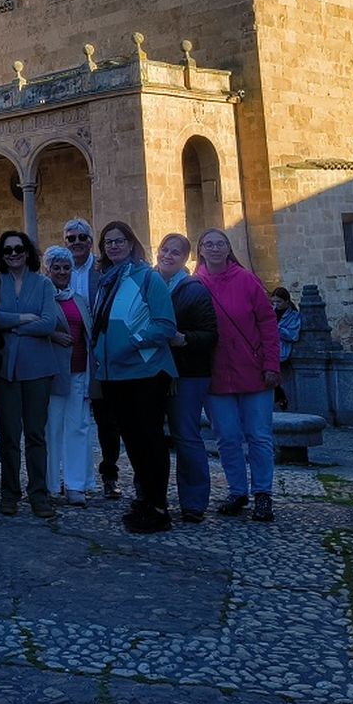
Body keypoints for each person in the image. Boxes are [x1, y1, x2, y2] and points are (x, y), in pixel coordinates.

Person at [90, 221, 177, 534]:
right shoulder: (106, 281)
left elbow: (165, 325)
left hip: (145, 372)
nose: (113, 246)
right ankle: (146, 500)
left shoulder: (148, 278)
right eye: (108, 242)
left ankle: (158, 507)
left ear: (131, 243)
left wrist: (134, 342)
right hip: (116, 375)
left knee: (151, 440)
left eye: (119, 240)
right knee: (134, 442)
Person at [196, 229, 282, 523]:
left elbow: (268, 323)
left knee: (259, 435)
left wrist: (272, 364)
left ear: (229, 248)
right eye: (209, 244)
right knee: (227, 437)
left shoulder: (247, 280)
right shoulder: (195, 284)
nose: (215, 248)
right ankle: (237, 490)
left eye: (220, 243)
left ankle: (263, 494)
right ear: (201, 250)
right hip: (217, 374)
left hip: (254, 371)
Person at [0, 229, 62, 518]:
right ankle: (9, 493)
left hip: (38, 369)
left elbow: (48, 324)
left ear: (28, 252)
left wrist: (12, 326)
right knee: (8, 434)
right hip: (7, 370)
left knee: (35, 434)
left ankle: (38, 494)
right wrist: (22, 319)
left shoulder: (43, 284)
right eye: (8, 250)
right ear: (1, 256)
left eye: (18, 249)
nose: (14, 254)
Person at [155, 234, 219, 523]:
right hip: (153, 371)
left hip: (187, 373)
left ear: (186, 259)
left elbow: (210, 334)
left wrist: (184, 339)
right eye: (164, 250)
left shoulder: (194, 289)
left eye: (175, 253)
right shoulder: (149, 282)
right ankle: (151, 496)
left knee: (186, 436)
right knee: (151, 436)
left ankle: (193, 502)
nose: (168, 256)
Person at [63, 218, 118, 499]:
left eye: (81, 238)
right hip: (72, 355)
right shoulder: (58, 271)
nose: (76, 243)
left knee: (107, 420)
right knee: (72, 420)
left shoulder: (102, 270)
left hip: (101, 352)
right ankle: (72, 476)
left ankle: (109, 475)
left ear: (90, 241)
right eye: (71, 238)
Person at [41, 245, 91, 508]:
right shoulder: (42, 296)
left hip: (79, 369)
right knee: (52, 428)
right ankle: (51, 484)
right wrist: (52, 334)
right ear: (47, 270)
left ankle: (75, 485)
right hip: (53, 372)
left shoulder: (79, 299)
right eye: (56, 267)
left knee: (78, 427)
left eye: (66, 268)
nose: (62, 272)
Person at [272, 287, 301, 409]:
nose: (276, 305)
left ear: (287, 301)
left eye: (279, 302)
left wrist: (277, 329)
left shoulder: (294, 316)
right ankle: (279, 396)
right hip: (269, 348)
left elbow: (293, 336)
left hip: (281, 351)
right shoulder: (271, 312)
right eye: (274, 302)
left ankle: (280, 396)